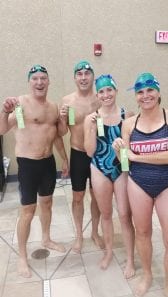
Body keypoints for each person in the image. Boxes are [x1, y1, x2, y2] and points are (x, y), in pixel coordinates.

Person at [0, 64, 69, 278]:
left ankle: (46, 238)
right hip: (28, 165)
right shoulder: (20, 103)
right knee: (28, 212)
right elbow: (2, 129)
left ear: (49, 81)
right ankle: (22, 256)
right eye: (35, 78)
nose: (39, 82)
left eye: (43, 78)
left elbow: (59, 134)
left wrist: (64, 160)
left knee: (47, 203)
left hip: (48, 163)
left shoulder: (54, 107)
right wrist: (4, 111)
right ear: (30, 82)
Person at [113, 72, 168, 297]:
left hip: (166, 183)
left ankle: (167, 283)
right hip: (138, 184)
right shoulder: (128, 124)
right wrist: (120, 152)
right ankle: (147, 275)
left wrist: (137, 157)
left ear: (158, 92)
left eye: (149, 90)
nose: (145, 96)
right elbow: (125, 161)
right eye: (140, 92)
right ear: (136, 96)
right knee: (143, 232)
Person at [84, 74, 135, 275]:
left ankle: (130, 259)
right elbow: (89, 151)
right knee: (106, 214)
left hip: (120, 167)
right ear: (97, 94)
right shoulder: (92, 118)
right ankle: (108, 252)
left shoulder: (126, 115)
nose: (106, 95)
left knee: (124, 215)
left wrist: (121, 150)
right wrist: (89, 128)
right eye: (102, 91)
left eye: (109, 90)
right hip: (98, 168)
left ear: (115, 90)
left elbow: (129, 153)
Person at [58, 60, 104, 253]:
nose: (84, 77)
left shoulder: (101, 99)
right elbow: (61, 132)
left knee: (97, 196)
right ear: (75, 78)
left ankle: (94, 232)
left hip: (97, 154)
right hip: (77, 154)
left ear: (93, 76)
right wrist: (61, 118)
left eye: (87, 73)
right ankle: (79, 236)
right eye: (80, 74)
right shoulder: (67, 101)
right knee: (78, 197)